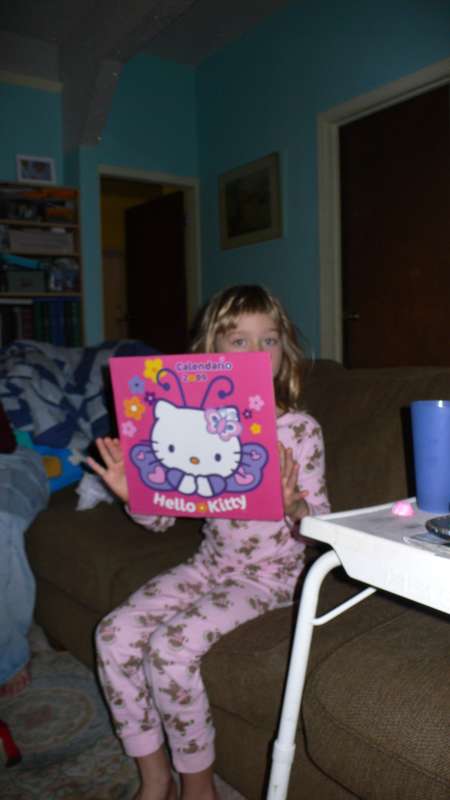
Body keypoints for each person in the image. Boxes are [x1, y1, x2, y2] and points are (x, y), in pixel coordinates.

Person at [88, 285, 330, 800]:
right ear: (210, 353)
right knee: (114, 634)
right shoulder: (189, 422)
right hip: (211, 563)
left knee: (171, 648)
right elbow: (159, 522)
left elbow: (323, 529)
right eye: (239, 340)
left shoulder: (300, 430)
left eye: (268, 340)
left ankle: (199, 785)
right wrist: (135, 494)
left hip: (274, 576)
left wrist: (294, 507)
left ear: (284, 349)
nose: (257, 352)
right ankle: (155, 777)